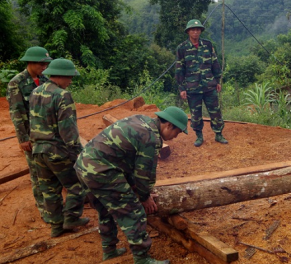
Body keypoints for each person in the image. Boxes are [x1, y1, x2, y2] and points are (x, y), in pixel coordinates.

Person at [74, 107, 188, 264]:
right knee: (134, 212)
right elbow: (144, 174)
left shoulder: (141, 120)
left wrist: (134, 189)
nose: (176, 136)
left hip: (84, 165)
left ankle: (110, 251)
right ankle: (142, 259)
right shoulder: (151, 138)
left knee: (106, 210)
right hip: (102, 171)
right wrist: (144, 197)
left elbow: (125, 160)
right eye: (178, 132)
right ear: (169, 125)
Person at [29, 58, 89, 237]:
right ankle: (71, 218)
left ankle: (56, 227)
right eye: (69, 77)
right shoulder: (63, 95)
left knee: (49, 190)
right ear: (61, 75)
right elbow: (68, 129)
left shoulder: (35, 92)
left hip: (38, 151)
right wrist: (78, 153)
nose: (70, 81)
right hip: (57, 151)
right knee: (78, 185)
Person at [7, 46, 52, 221]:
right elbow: (17, 113)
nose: (44, 67)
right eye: (41, 64)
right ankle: (43, 208)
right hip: (31, 136)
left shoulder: (45, 79)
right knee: (36, 172)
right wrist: (23, 138)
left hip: (47, 134)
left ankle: (52, 204)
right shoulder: (16, 83)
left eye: (45, 63)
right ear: (30, 63)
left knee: (48, 169)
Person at [175, 19, 228, 147]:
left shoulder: (208, 45)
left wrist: (218, 80)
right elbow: (179, 69)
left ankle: (218, 134)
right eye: (193, 29)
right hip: (192, 88)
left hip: (210, 85)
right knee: (196, 115)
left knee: (215, 111)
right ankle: (199, 136)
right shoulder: (182, 48)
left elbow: (215, 62)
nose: (195, 32)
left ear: (200, 31)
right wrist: (182, 88)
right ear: (188, 31)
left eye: (198, 29)